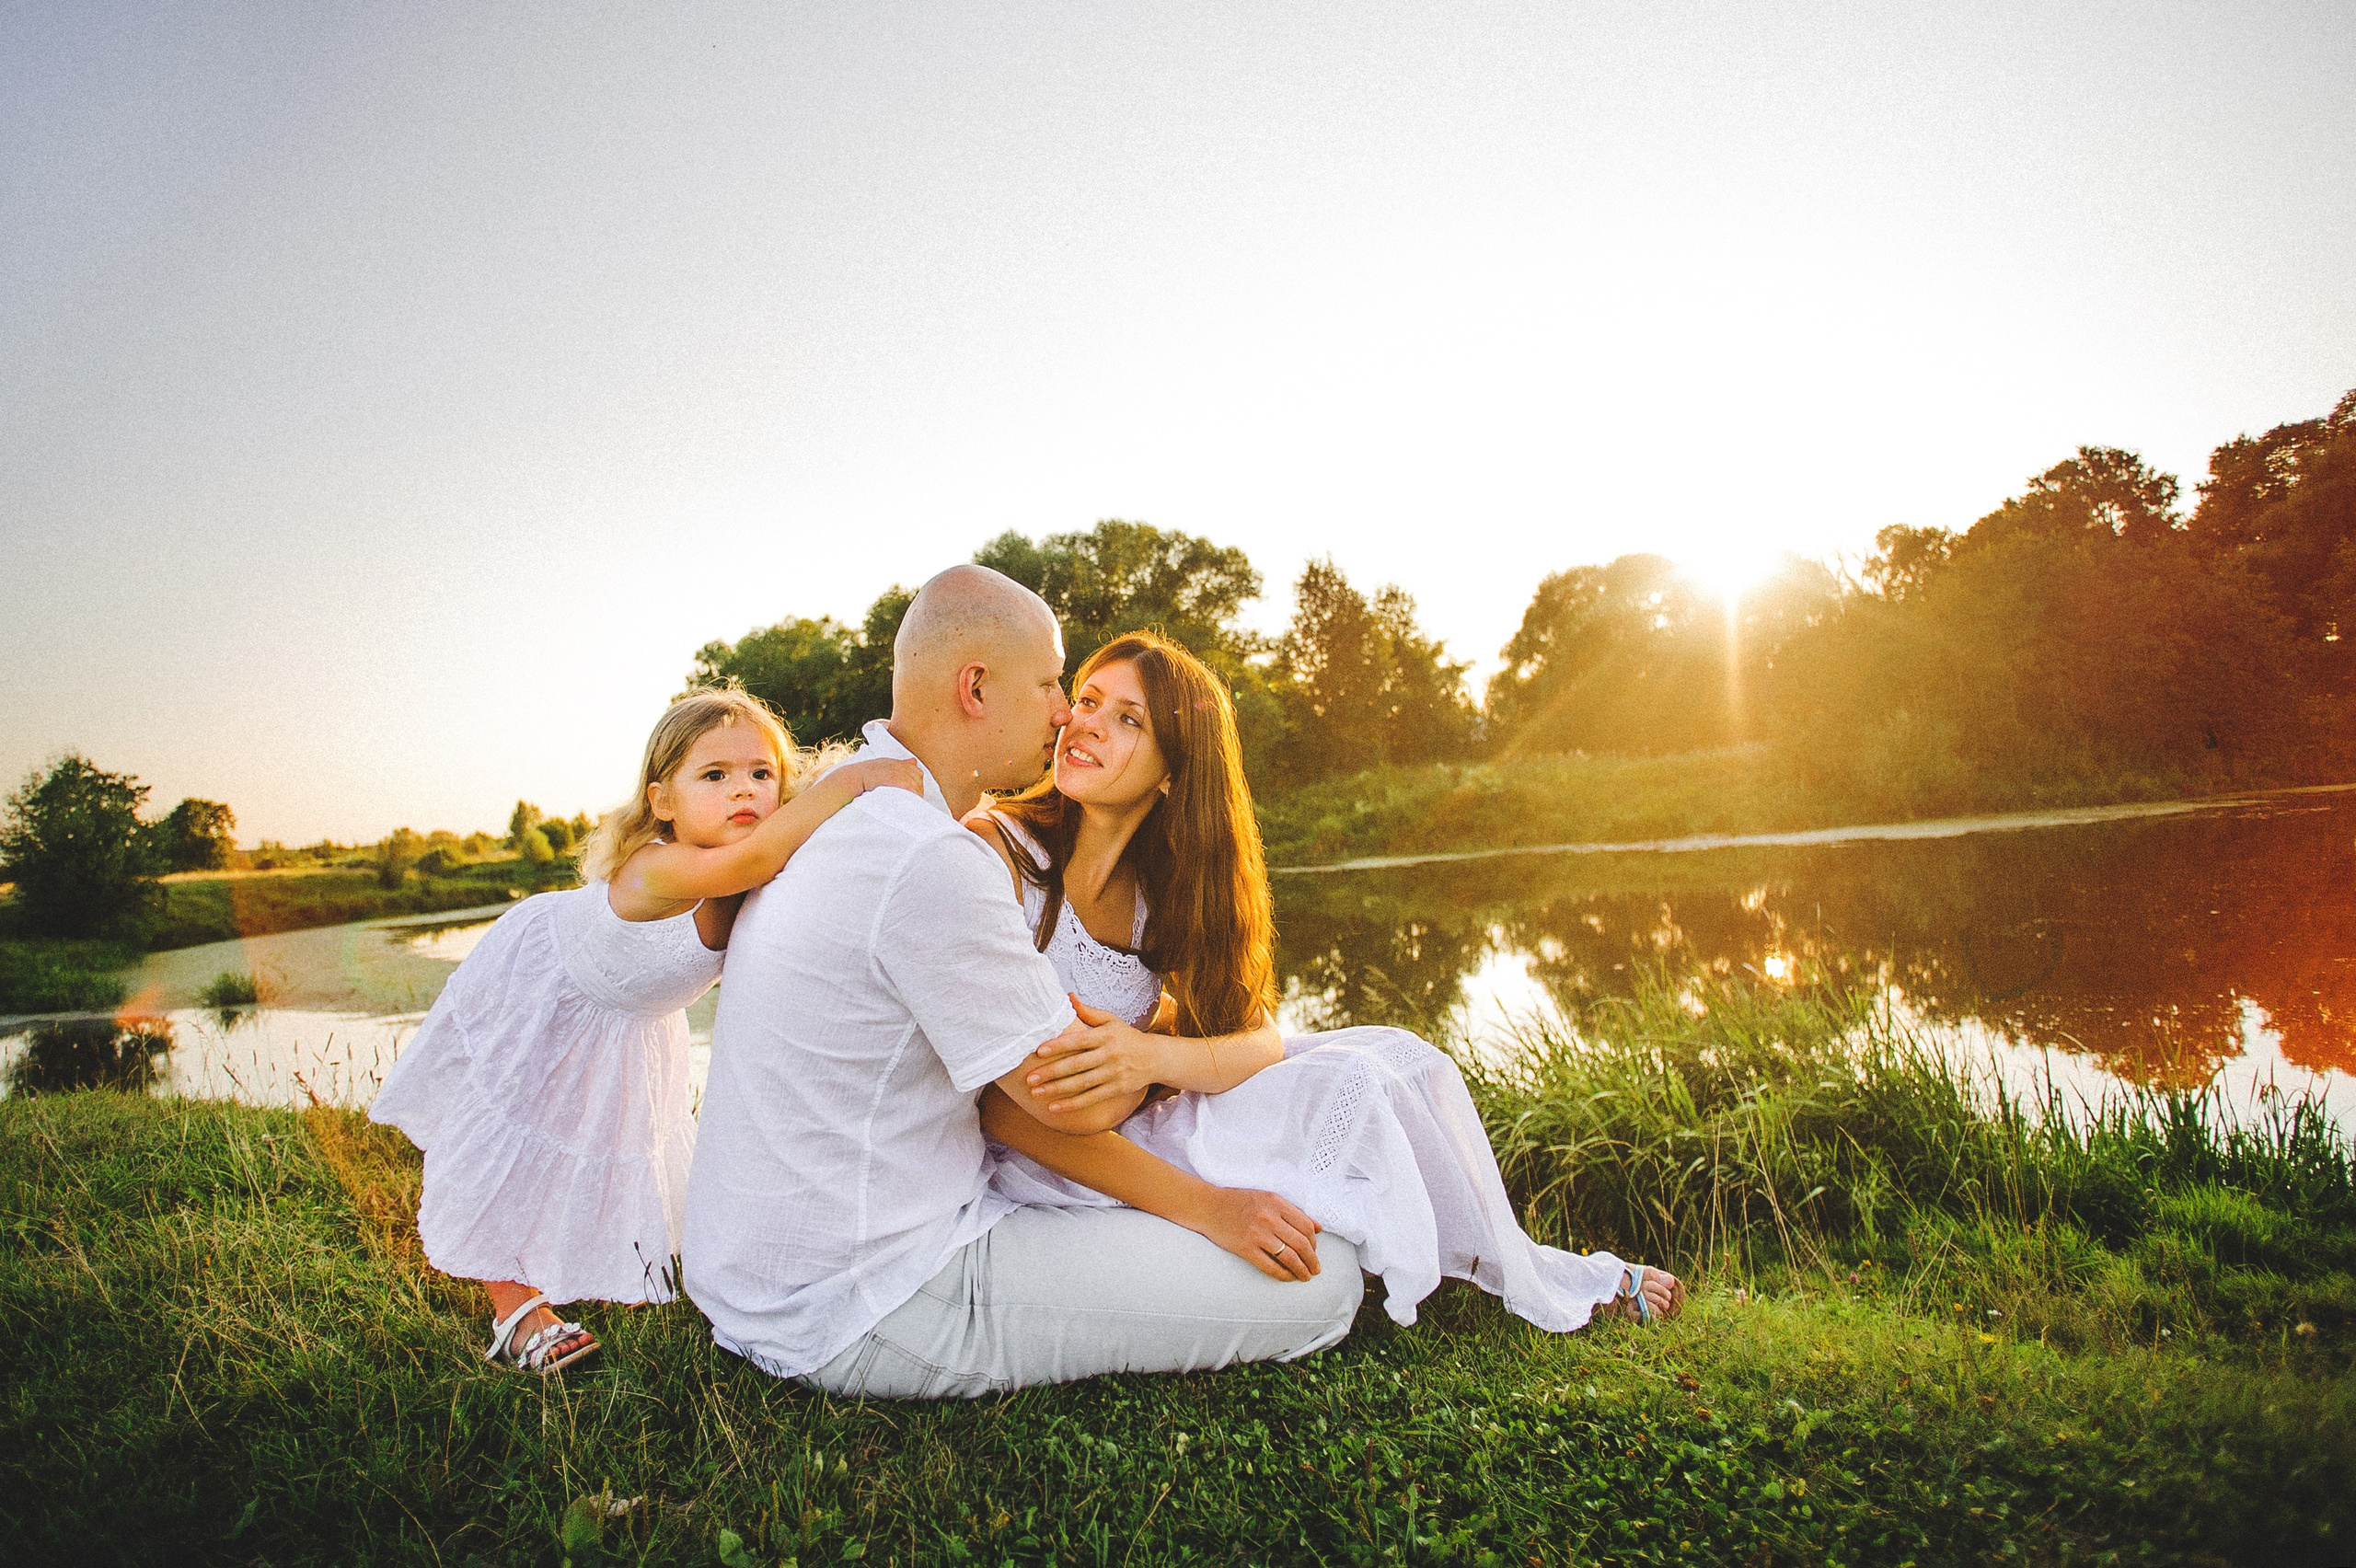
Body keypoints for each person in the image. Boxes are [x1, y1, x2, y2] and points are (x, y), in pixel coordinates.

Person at [682, 566, 1364, 1398]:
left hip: (758, 1272)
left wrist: (1140, 1052)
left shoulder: (844, 806)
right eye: (1051, 683)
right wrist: (1194, 1167)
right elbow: (1066, 1100)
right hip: (871, 1294)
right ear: (975, 686)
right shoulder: (932, 856)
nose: (1062, 711)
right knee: (1329, 1284)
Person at [971, 631, 1685, 1330]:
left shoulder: (1163, 890)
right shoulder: (994, 852)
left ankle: (1513, 1266)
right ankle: (1471, 1270)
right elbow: (1003, 1107)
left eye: (1127, 719)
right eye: (1088, 700)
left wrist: (1150, 1057)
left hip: (1134, 1116)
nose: (1085, 724)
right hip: (1045, 1165)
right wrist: (1205, 1200)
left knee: (1390, 1063)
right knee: (1323, 1094)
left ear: (1171, 770)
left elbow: (1257, 1037)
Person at [369, 686, 918, 1374]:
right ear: (663, 802)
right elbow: (747, 864)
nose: (741, 791)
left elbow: (799, 857)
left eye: (761, 774)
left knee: (610, 1140)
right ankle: (513, 1309)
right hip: (556, 992)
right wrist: (853, 780)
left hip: (631, 1025)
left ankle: (598, 1261)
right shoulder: (660, 865)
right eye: (713, 777)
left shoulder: (771, 851)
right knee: (519, 1140)